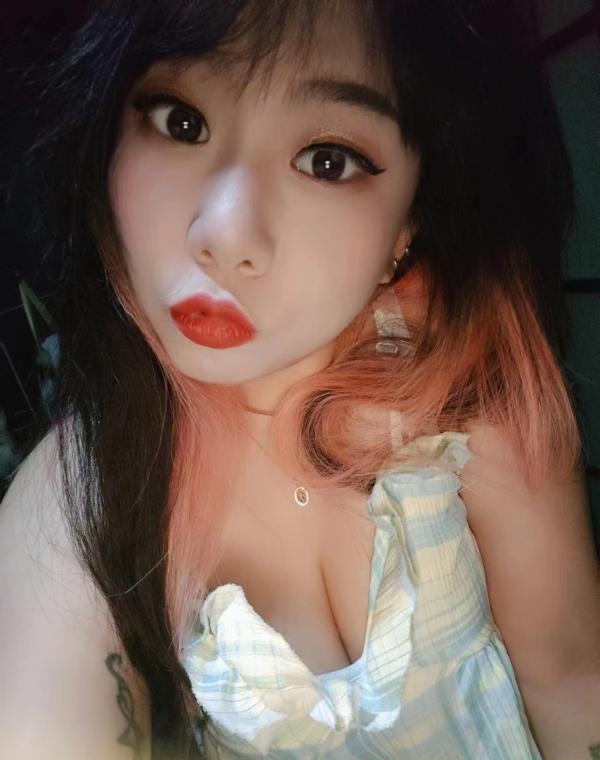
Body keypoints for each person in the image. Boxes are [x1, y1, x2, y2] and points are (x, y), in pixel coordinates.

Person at [1, 0, 599, 758]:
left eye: (328, 160)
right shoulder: (81, 500)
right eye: (181, 121)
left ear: (408, 223)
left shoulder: (465, 378)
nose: (225, 235)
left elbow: (571, 679)